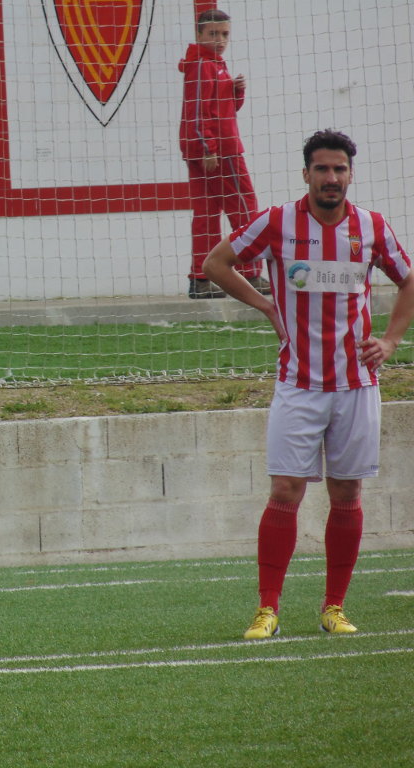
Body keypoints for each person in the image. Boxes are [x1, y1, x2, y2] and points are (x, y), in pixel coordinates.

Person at [203, 130, 414, 639]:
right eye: (322, 169)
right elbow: (215, 263)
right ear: (306, 174)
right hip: (298, 383)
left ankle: (333, 607)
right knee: (285, 490)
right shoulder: (277, 222)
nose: (331, 178)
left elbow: (409, 279)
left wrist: (390, 340)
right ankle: (267, 609)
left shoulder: (371, 227)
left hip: (356, 384)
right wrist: (265, 304)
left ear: (350, 175)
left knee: (347, 492)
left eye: (339, 169)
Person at [179, 9, 268, 299]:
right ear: (199, 35)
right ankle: (249, 273)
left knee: (206, 213)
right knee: (244, 207)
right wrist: (209, 148)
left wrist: (235, 92)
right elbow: (197, 111)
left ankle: (200, 279)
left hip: (208, 149)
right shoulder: (203, 65)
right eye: (213, 34)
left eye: (225, 34)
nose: (220, 40)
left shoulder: (211, 65)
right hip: (221, 150)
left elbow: (222, 109)